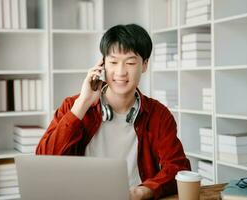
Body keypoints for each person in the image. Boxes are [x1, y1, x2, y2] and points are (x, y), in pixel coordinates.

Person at [36, 24, 191, 200]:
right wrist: (83, 104)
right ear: (102, 64)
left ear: (145, 65)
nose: (120, 72)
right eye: (113, 62)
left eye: (131, 62)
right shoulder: (74, 105)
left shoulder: (158, 114)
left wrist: (144, 190)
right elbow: (44, 161)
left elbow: (178, 168)